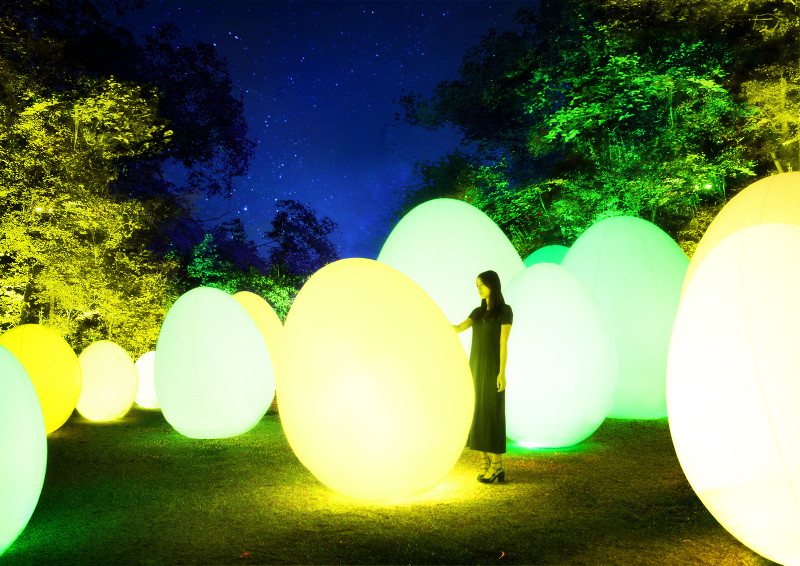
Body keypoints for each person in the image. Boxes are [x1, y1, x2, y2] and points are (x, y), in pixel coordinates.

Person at [452, 270, 512, 484]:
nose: (478, 288)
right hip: (475, 369)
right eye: (476, 284)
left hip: (493, 370)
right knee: (477, 413)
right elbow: (459, 328)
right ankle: (484, 463)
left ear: (492, 285)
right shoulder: (477, 312)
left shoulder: (505, 311)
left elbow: (503, 343)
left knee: (493, 414)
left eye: (482, 284)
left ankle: (497, 465)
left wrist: (502, 373)